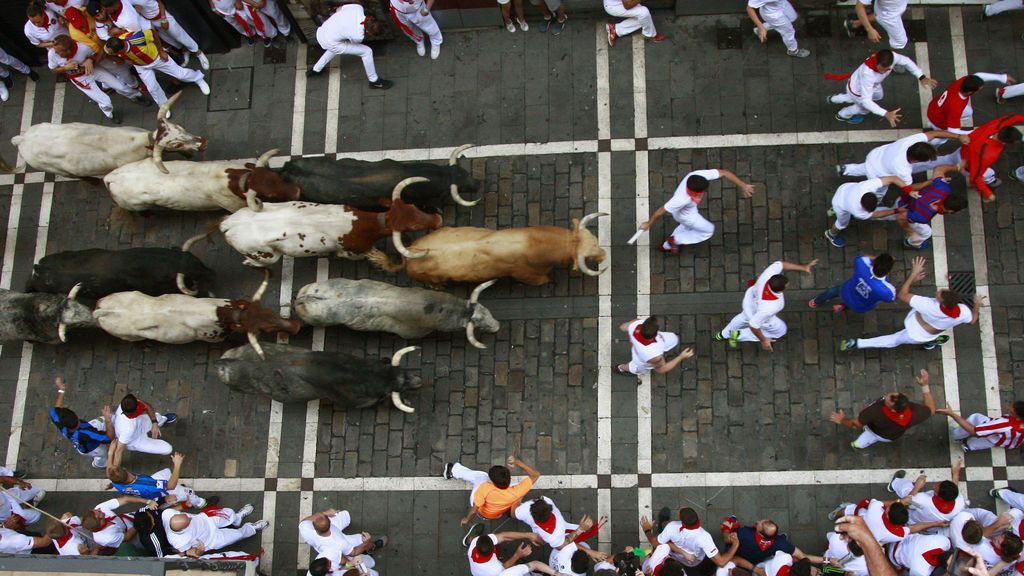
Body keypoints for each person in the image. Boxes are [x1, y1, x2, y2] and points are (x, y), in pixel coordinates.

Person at [840, 256, 978, 351]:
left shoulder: (928, 305)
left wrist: (913, 274)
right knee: (897, 340)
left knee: (892, 341)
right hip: (925, 334)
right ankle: (930, 343)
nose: (939, 291)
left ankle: (857, 343)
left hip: (915, 330)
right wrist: (976, 305)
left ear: (941, 302)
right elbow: (972, 320)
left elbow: (902, 295)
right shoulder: (963, 312)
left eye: (940, 293)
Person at [640, 168, 755, 254]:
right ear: (696, 192)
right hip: (687, 216)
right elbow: (660, 211)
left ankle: (666, 246)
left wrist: (743, 185)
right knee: (708, 230)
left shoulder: (696, 175)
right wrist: (649, 223)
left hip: (685, 212)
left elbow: (724, 173)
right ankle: (675, 240)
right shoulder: (680, 199)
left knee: (685, 227)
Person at [715, 259, 817, 352]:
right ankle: (738, 335)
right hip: (758, 314)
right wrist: (763, 340)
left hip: (749, 303)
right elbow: (754, 325)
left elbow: (781, 264)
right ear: (781, 289)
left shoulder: (768, 275)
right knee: (780, 330)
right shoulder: (773, 306)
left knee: (742, 317)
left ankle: (723, 334)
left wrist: (803, 267)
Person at [923, 114, 1024, 202]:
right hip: (968, 165)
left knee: (938, 161)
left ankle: (913, 166)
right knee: (987, 174)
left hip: (962, 152)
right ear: (1005, 142)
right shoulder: (988, 154)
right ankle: (989, 181)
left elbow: (1013, 117)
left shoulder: (997, 125)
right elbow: (975, 177)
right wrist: (987, 194)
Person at [829, 369, 936, 449]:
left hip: (874, 431)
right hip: (889, 436)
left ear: (893, 409)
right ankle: (859, 444)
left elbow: (855, 424)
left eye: (889, 399)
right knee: (870, 438)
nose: (888, 395)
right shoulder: (915, 414)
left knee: (868, 436)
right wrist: (925, 386)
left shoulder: (874, 412)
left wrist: (842, 420)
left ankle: (858, 444)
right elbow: (931, 410)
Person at [826, 49, 938, 126]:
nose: (883, 71)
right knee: (864, 108)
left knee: (878, 96)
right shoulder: (867, 75)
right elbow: (866, 100)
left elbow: (907, 62)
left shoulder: (892, 57)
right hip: (859, 91)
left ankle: (834, 99)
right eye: (880, 69)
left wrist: (921, 76)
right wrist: (885, 113)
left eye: (886, 69)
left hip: (869, 85)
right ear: (877, 62)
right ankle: (843, 115)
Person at [49, 34, 145, 122]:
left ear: (68, 50)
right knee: (104, 100)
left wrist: (90, 60)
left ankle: (135, 96)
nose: (56, 53)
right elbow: (53, 70)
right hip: (79, 78)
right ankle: (110, 115)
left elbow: (96, 54)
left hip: (93, 70)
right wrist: (65, 68)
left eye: (59, 52)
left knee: (120, 86)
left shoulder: (82, 48)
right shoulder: (52, 54)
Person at [104, 29, 210, 106]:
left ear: (120, 51)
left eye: (111, 52)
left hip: (157, 59)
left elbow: (153, 33)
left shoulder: (137, 38)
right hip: (141, 66)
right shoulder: (117, 41)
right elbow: (107, 47)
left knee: (180, 74)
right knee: (152, 87)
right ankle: (164, 105)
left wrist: (161, 51)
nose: (108, 52)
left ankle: (198, 78)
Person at [443, 457, 540, 540]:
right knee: (520, 490)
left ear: (493, 482)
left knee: (481, 476)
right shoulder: (517, 490)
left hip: (482, 512)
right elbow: (535, 475)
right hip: (495, 514)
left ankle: (453, 470)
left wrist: (467, 520)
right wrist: (517, 462)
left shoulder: (485, 488)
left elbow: (474, 511)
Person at [838, 131, 964, 196]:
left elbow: (933, 134)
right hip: (878, 174)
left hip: (875, 156)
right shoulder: (903, 170)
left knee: (863, 167)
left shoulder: (911, 141)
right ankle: (873, 199)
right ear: (916, 160)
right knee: (879, 192)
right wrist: (932, 181)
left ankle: (844, 169)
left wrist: (958, 136)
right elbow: (909, 187)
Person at [306, 4, 392, 90]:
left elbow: (338, 9)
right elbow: (353, 42)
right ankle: (374, 81)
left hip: (323, 30)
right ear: (369, 32)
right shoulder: (359, 36)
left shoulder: (358, 8)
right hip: (329, 41)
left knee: (338, 44)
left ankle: (316, 69)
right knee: (367, 52)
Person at [112, 0, 211, 69]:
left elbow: (160, 2)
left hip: (162, 16)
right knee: (169, 40)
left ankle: (198, 52)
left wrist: (163, 18)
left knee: (180, 35)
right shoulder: (124, 2)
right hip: (150, 22)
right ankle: (185, 51)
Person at [642, 507, 738, 576]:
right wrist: (735, 544)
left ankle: (662, 526)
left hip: (673, 556)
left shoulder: (672, 527)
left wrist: (647, 531)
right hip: (694, 562)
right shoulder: (704, 537)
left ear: (682, 522)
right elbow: (721, 562)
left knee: (665, 529)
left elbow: (655, 543)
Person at [888, 173, 968, 249]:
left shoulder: (944, 188)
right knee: (926, 233)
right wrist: (911, 233)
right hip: (903, 208)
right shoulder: (923, 217)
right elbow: (901, 217)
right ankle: (910, 242)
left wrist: (930, 182)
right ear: (949, 210)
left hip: (904, 199)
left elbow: (938, 169)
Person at [50, 376, 114, 469]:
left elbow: (56, 409)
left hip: (82, 443)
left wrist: (62, 390)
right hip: (93, 448)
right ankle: (99, 464)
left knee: (101, 421)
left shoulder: (59, 421)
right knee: (102, 454)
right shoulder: (85, 433)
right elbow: (108, 438)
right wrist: (108, 420)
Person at [106, 452, 208, 510]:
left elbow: (111, 470)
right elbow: (170, 485)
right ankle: (200, 503)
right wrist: (177, 464)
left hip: (149, 489)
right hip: (160, 492)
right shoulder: (146, 484)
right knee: (188, 493)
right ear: (125, 469)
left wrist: (111, 454)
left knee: (166, 472)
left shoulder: (116, 481)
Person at [823, 177, 906, 247]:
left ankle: (833, 210)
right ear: (862, 206)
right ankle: (831, 234)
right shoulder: (858, 212)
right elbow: (876, 214)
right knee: (842, 224)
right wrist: (897, 210)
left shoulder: (869, 185)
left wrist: (909, 190)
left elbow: (893, 178)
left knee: (845, 208)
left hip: (844, 189)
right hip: (840, 204)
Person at [927, 74, 1013, 141]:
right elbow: (952, 131)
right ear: (969, 92)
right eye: (978, 89)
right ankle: (933, 146)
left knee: (968, 112)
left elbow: (979, 76)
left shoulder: (963, 81)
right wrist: (978, 132)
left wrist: (1002, 78)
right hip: (938, 121)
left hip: (935, 107)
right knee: (941, 139)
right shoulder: (956, 108)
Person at [162, 504, 268, 557]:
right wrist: (200, 550)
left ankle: (237, 517)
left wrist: (186, 504)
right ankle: (252, 528)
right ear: (183, 529)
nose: (190, 517)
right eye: (189, 521)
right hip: (211, 540)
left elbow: (177, 508)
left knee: (229, 513)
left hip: (206, 519)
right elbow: (189, 553)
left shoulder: (167, 513)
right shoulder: (178, 542)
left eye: (187, 516)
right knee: (237, 535)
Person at [722, 518, 818, 571]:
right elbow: (803, 556)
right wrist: (826, 560)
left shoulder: (743, 534)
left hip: (735, 553)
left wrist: (726, 529)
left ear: (759, 532)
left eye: (761, 523)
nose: (760, 521)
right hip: (756, 560)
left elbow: (727, 539)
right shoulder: (780, 544)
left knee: (730, 523)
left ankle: (733, 521)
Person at [810, 254, 896, 314]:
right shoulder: (888, 291)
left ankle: (816, 302)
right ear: (888, 271)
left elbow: (864, 257)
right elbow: (891, 298)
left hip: (846, 291)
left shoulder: (861, 263)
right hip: (859, 306)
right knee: (856, 304)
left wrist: (879, 260)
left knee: (831, 291)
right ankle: (842, 306)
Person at [887, 463, 966, 527]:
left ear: (940, 497)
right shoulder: (960, 502)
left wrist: (917, 487)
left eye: (937, 487)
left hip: (912, 520)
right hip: (930, 527)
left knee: (907, 491)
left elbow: (906, 503)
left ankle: (894, 483)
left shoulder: (922, 501)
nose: (935, 484)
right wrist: (956, 474)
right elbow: (953, 489)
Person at [616, 316, 695, 378]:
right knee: (635, 368)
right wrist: (681, 357)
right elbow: (661, 369)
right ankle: (621, 368)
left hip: (642, 350)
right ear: (654, 335)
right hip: (641, 361)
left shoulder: (636, 324)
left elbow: (623, 327)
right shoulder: (654, 354)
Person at [109, 393, 178, 459]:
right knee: (168, 449)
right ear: (135, 412)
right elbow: (118, 451)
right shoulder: (127, 430)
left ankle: (163, 420)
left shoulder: (126, 404)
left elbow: (147, 406)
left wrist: (154, 423)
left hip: (140, 423)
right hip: (136, 440)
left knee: (158, 418)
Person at [937, 400, 1024, 452]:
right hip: (1012, 441)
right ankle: (968, 446)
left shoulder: (1003, 424)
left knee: (975, 418)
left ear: (1016, 415)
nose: (1008, 407)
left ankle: (957, 435)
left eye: (1011, 411)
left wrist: (952, 414)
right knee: (985, 443)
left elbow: (973, 431)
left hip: (998, 433)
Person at [299, 507, 385, 558]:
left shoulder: (304, 527)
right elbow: (353, 552)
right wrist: (365, 543)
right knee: (361, 539)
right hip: (339, 541)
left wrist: (326, 513)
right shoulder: (339, 543)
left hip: (323, 543)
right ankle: (371, 548)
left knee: (345, 515)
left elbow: (305, 520)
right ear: (329, 521)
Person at [80, 495, 156, 551]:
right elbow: (127, 537)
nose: (99, 509)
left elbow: (125, 499)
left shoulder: (99, 508)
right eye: (99, 512)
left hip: (136, 517)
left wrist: (148, 502)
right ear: (100, 521)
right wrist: (140, 522)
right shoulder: (106, 538)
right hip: (138, 536)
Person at [466, 531, 557, 576]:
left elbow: (503, 536)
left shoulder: (475, 542)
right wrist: (517, 555)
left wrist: (527, 535)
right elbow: (505, 569)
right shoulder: (494, 569)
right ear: (493, 550)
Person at [844, 0, 909, 50]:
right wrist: (870, 30)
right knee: (900, 42)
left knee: (878, 15)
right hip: (889, 16)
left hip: (889, 8)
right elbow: (859, 6)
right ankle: (888, 61)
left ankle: (854, 24)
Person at [208, 0, 277, 46]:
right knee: (238, 26)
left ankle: (266, 35)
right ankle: (250, 35)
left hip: (236, 7)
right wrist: (214, 9)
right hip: (223, 12)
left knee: (253, 20)